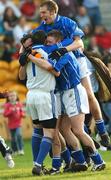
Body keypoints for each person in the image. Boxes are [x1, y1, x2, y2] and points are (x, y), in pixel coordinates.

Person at [32, 0, 111, 148]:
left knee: (88, 94)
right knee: (64, 110)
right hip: (60, 64)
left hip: (76, 59)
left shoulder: (67, 22)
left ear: (53, 12)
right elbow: (31, 39)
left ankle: (102, 131)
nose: (41, 15)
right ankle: (80, 147)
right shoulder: (42, 27)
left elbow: (79, 43)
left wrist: (63, 49)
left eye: (43, 12)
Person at [25, 30, 106, 173]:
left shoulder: (64, 54)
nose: (47, 45)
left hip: (73, 91)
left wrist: (29, 56)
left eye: (49, 42)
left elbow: (54, 70)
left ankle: (99, 161)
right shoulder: (52, 53)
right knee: (62, 129)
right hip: (61, 94)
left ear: (57, 42)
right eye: (45, 43)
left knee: (78, 130)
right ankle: (80, 161)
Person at [19, 31, 59, 176]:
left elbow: (21, 76)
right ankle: (38, 164)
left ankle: (37, 163)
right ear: (44, 40)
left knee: (37, 130)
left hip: (31, 95)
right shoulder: (45, 53)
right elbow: (54, 70)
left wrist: (23, 58)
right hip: (44, 94)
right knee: (49, 132)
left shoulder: (27, 56)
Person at [3, 91, 24, 155]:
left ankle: (21, 149)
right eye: (10, 96)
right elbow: (5, 114)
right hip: (11, 125)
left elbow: (21, 112)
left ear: (16, 96)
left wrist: (22, 114)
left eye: (14, 95)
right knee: (13, 139)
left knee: (19, 135)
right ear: (8, 97)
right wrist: (11, 111)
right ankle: (14, 150)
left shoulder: (19, 104)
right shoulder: (7, 105)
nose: (12, 97)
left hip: (18, 124)